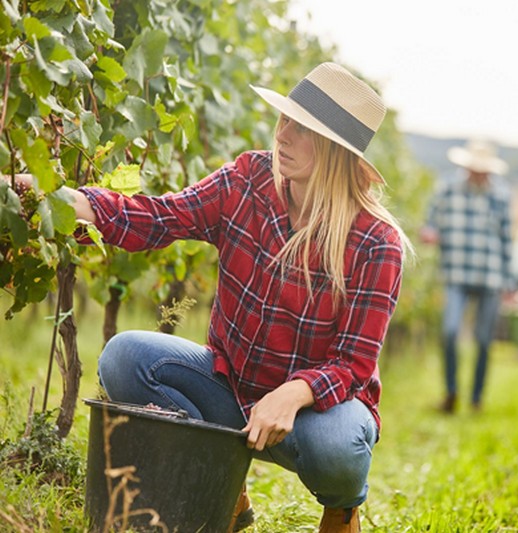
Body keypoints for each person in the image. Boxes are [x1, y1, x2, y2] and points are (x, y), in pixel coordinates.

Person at [5, 62, 411, 533]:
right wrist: (58, 199)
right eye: (285, 119)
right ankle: (225, 486)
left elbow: (354, 364)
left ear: (336, 152)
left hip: (311, 415)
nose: (283, 135)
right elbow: (160, 217)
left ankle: (342, 512)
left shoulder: (376, 241)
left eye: (303, 130)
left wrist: (294, 394)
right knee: (126, 359)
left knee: (340, 448)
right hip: (231, 391)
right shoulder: (248, 179)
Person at [420, 139, 514, 414]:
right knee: (450, 332)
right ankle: (451, 393)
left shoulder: (501, 194)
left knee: (484, 340)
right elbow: (430, 220)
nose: (480, 174)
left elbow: (507, 239)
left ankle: (476, 398)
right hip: (456, 272)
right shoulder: (447, 188)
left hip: (490, 275)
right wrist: (429, 232)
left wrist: (510, 280)